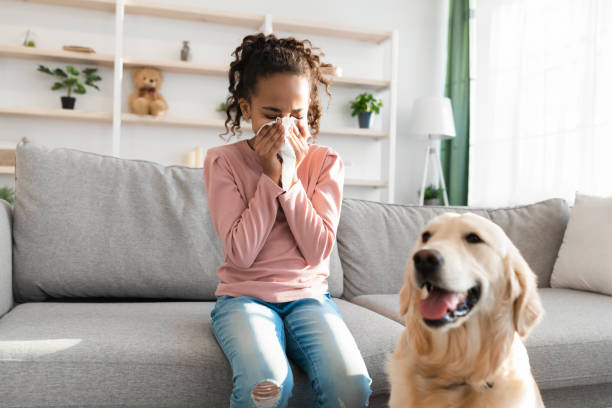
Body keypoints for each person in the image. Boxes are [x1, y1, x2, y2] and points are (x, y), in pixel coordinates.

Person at [203, 33, 372, 408]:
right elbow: (241, 254)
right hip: (244, 298)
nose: (285, 127)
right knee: (266, 385)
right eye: (272, 115)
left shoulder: (326, 162)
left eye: (296, 116)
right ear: (247, 109)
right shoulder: (222, 161)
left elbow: (317, 252)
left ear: (309, 110)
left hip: (309, 297)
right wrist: (268, 178)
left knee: (352, 386)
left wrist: (290, 178)